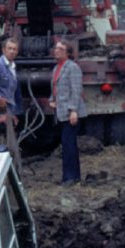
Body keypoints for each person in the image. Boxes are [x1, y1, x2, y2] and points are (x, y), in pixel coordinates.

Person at [51, 39, 84, 184]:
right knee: (67, 145)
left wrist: (73, 111)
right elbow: (55, 86)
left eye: (61, 49)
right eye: (56, 48)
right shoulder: (57, 67)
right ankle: (72, 176)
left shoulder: (73, 67)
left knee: (69, 145)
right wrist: (52, 99)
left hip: (69, 113)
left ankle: (70, 177)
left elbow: (76, 90)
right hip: (61, 111)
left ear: (68, 53)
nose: (56, 51)